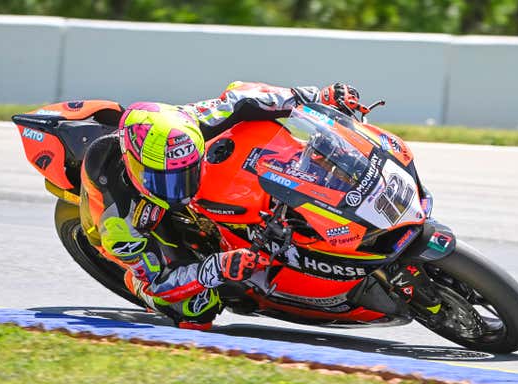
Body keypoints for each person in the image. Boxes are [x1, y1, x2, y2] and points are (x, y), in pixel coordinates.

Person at [79, 82, 363, 330]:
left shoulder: (189, 124)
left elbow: (247, 97)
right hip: (144, 241)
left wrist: (321, 95)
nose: (179, 188)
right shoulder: (119, 222)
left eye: (185, 172)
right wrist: (216, 267)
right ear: (135, 165)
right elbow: (161, 282)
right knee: (196, 313)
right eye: (164, 179)